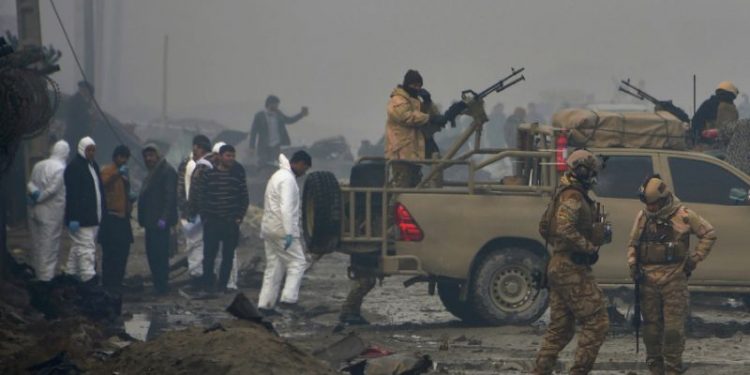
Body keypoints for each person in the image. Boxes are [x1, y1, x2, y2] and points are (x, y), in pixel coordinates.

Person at [339, 69, 450, 325]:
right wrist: (424, 112)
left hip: (412, 155)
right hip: (402, 154)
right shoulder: (398, 100)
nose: (417, 88)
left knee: (407, 194)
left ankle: (349, 312)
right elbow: (405, 117)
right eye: (415, 85)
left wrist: (430, 105)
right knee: (400, 195)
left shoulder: (414, 99)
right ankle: (348, 312)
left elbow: (430, 117)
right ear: (408, 84)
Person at [628, 176, 716, 375]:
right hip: (648, 282)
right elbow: (633, 243)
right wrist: (633, 264)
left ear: (663, 199)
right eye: (647, 205)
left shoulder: (683, 215)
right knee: (651, 330)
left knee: (673, 330)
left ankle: (673, 369)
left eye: (652, 204)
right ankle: (656, 369)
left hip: (674, 281)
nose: (650, 208)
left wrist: (694, 259)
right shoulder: (642, 217)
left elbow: (709, 234)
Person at [534, 149, 611, 375]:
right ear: (583, 171)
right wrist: (588, 247)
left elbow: (544, 228)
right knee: (597, 322)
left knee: (560, 329)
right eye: (592, 170)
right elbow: (564, 227)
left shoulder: (565, 193)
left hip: (560, 266)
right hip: (571, 268)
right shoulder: (573, 196)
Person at [257, 151, 312, 314]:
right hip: (282, 229)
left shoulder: (277, 175)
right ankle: (288, 300)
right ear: (299, 163)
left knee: (274, 266)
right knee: (298, 262)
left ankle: (265, 304)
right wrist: (289, 232)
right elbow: (286, 208)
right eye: (305, 168)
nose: (304, 172)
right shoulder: (288, 180)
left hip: (269, 227)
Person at [195, 144, 249, 292]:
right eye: (228, 156)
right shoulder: (209, 175)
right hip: (212, 221)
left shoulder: (236, 176)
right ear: (220, 156)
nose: (231, 159)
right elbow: (201, 197)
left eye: (233, 156)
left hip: (230, 223)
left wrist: (239, 217)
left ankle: (222, 285)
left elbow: (244, 198)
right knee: (209, 255)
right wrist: (205, 216)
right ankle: (207, 285)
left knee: (228, 256)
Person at [138, 143, 178, 295]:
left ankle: (162, 285)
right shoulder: (152, 172)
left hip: (160, 222)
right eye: (146, 156)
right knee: (152, 254)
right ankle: (157, 283)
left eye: (151, 155)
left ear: (158, 155)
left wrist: (164, 218)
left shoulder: (166, 171)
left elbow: (170, 197)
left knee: (160, 255)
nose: (149, 159)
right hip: (150, 222)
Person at [63, 136, 105, 283]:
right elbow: (72, 194)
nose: (92, 153)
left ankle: (70, 276)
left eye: (94, 150)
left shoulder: (93, 166)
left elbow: (99, 191)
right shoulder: (75, 167)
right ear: (82, 149)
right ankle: (88, 279)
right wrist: (73, 216)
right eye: (89, 150)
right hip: (82, 219)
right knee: (87, 249)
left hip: (93, 218)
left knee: (77, 248)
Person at [27, 140, 69, 281]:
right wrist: (41, 197)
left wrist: (35, 195)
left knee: (37, 245)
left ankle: (38, 275)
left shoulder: (39, 165)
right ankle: (46, 280)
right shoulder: (61, 169)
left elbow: (30, 183)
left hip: (34, 211)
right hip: (51, 213)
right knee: (49, 247)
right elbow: (52, 189)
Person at [98, 145, 135, 291]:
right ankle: (109, 282)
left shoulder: (125, 173)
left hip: (123, 217)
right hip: (111, 217)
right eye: (121, 157)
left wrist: (131, 199)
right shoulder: (108, 170)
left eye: (126, 157)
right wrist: (117, 175)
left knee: (123, 251)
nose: (123, 160)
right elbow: (103, 184)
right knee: (110, 252)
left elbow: (126, 192)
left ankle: (118, 281)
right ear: (115, 157)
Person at [178, 134, 212, 287]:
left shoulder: (195, 165)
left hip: (193, 212)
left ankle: (197, 276)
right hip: (195, 212)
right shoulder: (197, 165)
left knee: (195, 245)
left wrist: (188, 209)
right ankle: (198, 276)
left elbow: (187, 190)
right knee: (197, 245)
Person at [249, 95, 309, 166]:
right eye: (276, 104)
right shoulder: (259, 116)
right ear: (270, 104)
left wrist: (301, 115)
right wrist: (251, 147)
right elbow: (254, 132)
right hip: (263, 145)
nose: (277, 106)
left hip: (276, 145)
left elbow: (289, 120)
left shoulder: (278, 114)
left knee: (275, 165)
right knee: (263, 164)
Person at [692, 81, 739, 146]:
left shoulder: (708, 103)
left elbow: (695, 123)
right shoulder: (730, 108)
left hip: (708, 143)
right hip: (717, 144)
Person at [63, 81, 95, 155]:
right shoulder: (77, 101)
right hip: (75, 136)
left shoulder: (85, 102)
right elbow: (80, 118)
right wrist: (90, 115)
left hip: (80, 136)